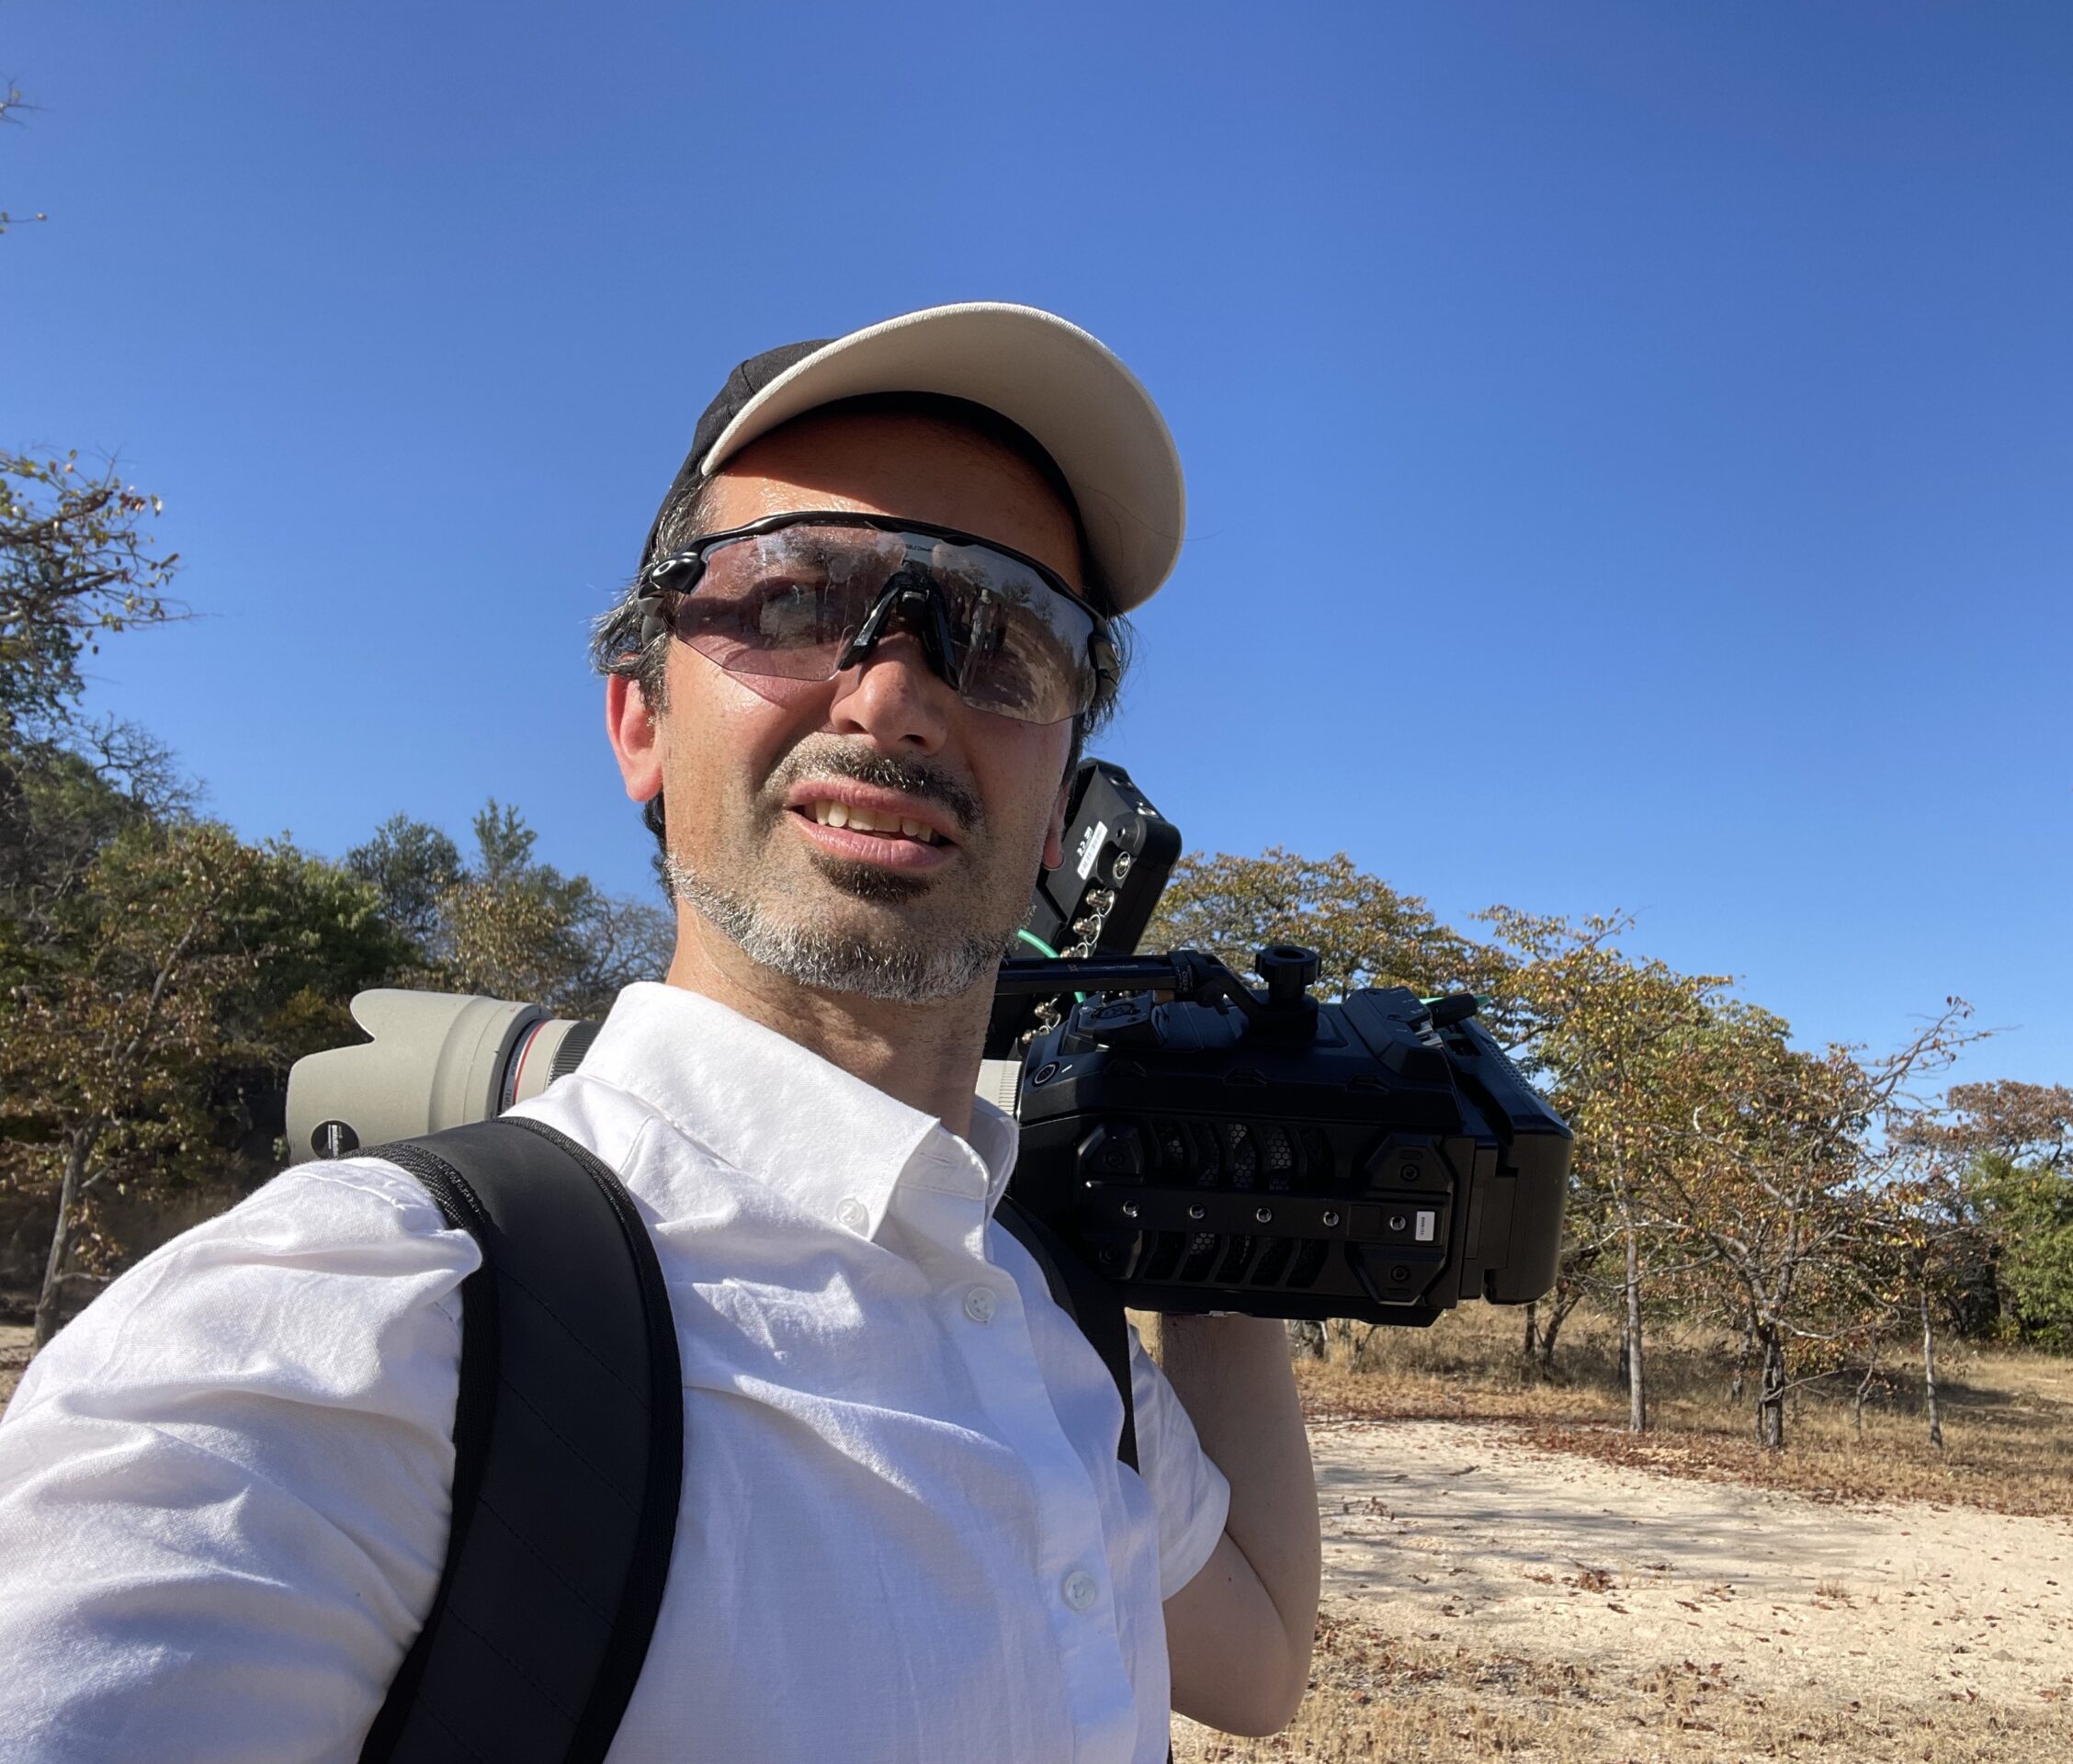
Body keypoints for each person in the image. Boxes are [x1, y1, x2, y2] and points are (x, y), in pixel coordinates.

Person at [0, 302, 1321, 1762]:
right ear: (638, 718)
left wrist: (1226, 1218)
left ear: (1068, 792)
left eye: (1004, 640)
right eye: (796, 600)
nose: (895, 694)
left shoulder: (1048, 1314)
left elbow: (1255, 1668)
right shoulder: (352, 1329)